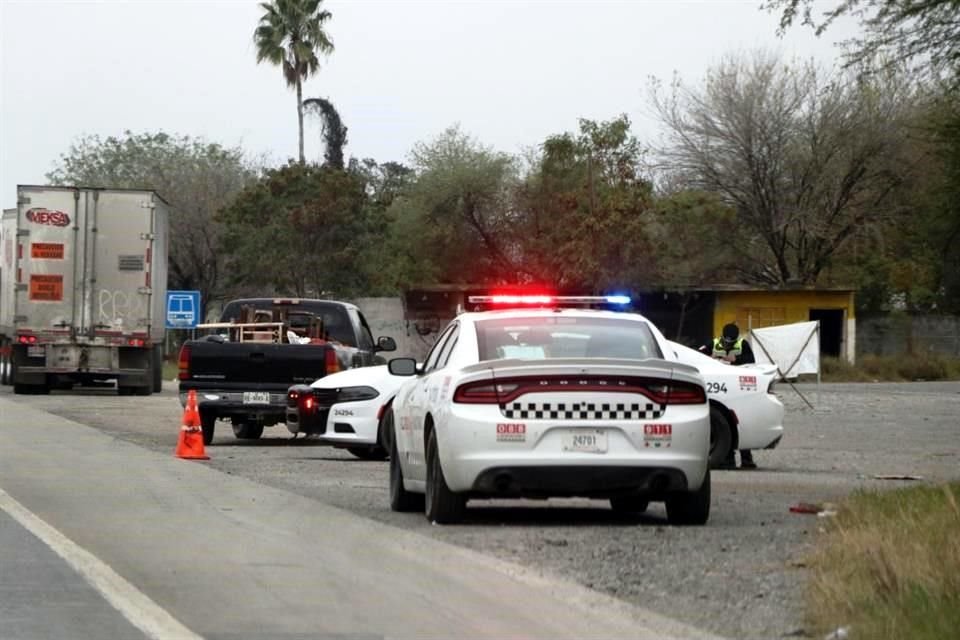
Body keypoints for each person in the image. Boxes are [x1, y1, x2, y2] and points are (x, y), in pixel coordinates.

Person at [699, 323, 757, 470]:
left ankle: (747, 460)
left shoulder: (742, 344)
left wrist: (735, 360)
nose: (728, 344)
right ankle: (728, 460)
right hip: (720, 389)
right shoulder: (714, 343)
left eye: (731, 342)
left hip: (738, 388)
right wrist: (711, 356)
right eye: (726, 341)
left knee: (742, 422)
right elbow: (696, 354)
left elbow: (751, 361)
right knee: (726, 422)